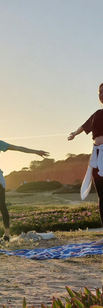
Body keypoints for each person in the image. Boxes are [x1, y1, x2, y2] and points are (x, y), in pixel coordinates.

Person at [68, 83, 103, 245]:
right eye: (99, 92)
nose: (101, 94)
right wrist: (74, 133)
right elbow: (85, 125)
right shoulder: (97, 113)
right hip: (96, 153)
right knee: (102, 196)